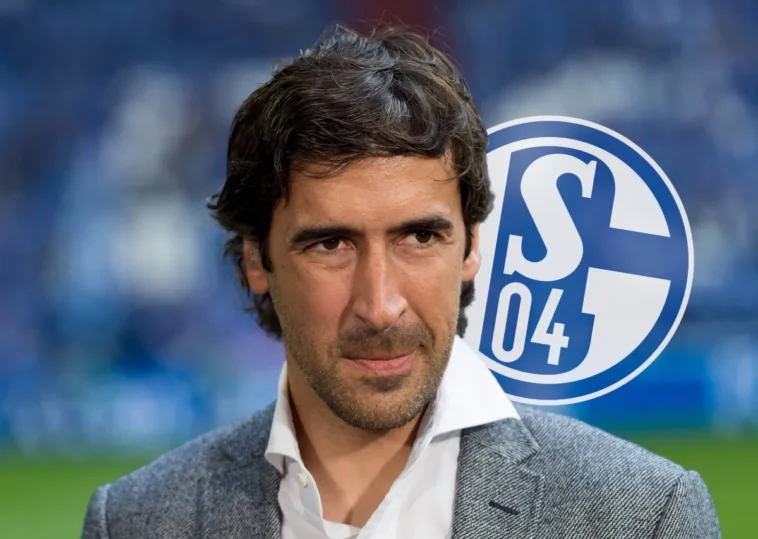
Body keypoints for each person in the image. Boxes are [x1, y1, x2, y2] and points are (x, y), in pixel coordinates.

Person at [82, 24, 721, 539]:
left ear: (471, 247)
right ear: (257, 260)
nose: (381, 306)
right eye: (330, 244)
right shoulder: (136, 521)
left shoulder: (643, 516)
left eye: (419, 237)